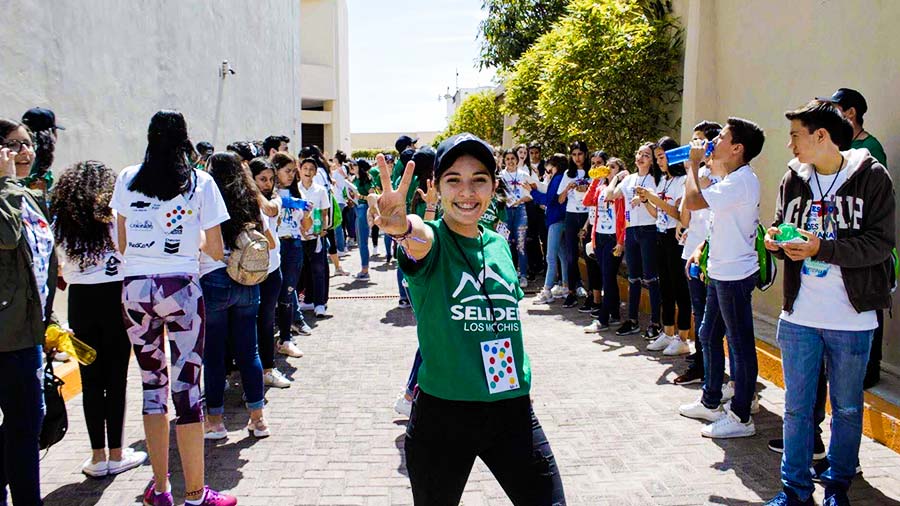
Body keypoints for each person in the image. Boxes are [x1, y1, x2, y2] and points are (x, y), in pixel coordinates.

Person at [373, 133, 565, 505]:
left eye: (479, 179)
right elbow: (418, 237)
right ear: (435, 187)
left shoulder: (496, 243)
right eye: (453, 180)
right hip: (444, 416)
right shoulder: (435, 240)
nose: (467, 191)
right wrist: (402, 227)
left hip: (511, 406)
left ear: (494, 186)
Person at [760, 101, 894, 506]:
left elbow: (880, 243)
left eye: (796, 135)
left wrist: (822, 248)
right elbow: (785, 223)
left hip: (851, 318)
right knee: (797, 410)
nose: (790, 145)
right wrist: (778, 243)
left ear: (821, 136)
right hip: (799, 315)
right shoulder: (793, 178)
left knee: (848, 410)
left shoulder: (871, 177)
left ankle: (837, 488)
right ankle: (794, 490)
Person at [110, 110, 236, 505]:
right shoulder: (200, 181)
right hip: (180, 291)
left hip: (135, 292)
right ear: (185, 139)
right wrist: (191, 240)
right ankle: (196, 494)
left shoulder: (127, 177)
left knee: (152, 386)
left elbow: (122, 242)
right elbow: (215, 248)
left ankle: (160, 488)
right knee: (187, 390)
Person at [51, 160, 148, 478]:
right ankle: (117, 453)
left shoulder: (62, 220)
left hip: (79, 303)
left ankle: (97, 456)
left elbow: (58, 265)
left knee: (90, 380)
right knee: (117, 378)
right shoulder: (116, 213)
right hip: (116, 299)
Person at [680, 117, 765, 440]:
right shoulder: (731, 177)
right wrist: (702, 248)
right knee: (708, 332)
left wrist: (692, 165)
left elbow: (693, 201)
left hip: (733, 275)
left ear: (738, 148)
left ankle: (742, 414)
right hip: (719, 270)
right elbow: (721, 221)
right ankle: (711, 399)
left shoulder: (741, 181)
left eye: (723, 138)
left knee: (740, 346)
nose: (715, 142)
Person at [0, 131, 57, 506]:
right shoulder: (11, 195)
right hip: (8, 336)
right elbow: (6, 236)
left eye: (27, 143)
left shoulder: (28, 196)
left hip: (26, 331)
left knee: (26, 425)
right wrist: (5, 183)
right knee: (23, 428)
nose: (25, 151)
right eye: (13, 145)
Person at [816, 87, 886, 390]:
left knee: (869, 301)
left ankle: (871, 368)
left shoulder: (870, 148)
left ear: (851, 113)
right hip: (837, 241)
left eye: (836, 108)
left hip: (863, 241)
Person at [199, 152, 272, 441]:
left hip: (214, 276)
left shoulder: (206, 196)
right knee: (249, 351)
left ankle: (215, 421)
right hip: (247, 278)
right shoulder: (250, 200)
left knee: (214, 354)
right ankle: (258, 418)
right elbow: (266, 238)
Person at [673, 121, 724, 385]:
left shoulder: (719, 174)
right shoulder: (696, 173)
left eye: (698, 141)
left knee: (710, 318)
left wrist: (694, 171)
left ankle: (711, 372)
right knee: (698, 313)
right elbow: (685, 215)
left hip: (711, 255)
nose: (692, 147)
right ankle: (701, 364)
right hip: (691, 250)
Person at [638, 137, 692, 355]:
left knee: (680, 288)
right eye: (658, 157)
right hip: (660, 234)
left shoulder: (683, 181)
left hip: (675, 237)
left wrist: (654, 198)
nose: (659, 161)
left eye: (662, 157)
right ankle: (668, 332)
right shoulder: (663, 181)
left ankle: (683, 336)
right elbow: (656, 213)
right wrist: (645, 200)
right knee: (665, 287)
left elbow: (677, 214)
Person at [606, 142, 662, 338]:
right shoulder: (629, 180)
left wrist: (645, 200)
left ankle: (656, 322)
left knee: (651, 277)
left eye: (646, 155)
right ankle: (632, 320)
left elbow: (658, 211)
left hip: (649, 230)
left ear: (652, 160)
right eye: (639, 153)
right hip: (631, 231)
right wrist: (615, 179)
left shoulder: (655, 179)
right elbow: (610, 195)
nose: (641, 157)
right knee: (633, 277)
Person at [249, 157, 292, 388]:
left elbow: (270, 209)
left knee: (265, 321)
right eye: (261, 179)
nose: (267, 183)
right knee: (247, 322)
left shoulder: (274, 198)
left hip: (271, 268)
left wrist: (250, 188)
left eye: (270, 179)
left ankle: (268, 368)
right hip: (248, 271)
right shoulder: (242, 202)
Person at [273, 152, 311, 358]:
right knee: (270, 297)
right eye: (287, 171)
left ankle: (285, 338)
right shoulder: (269, 193)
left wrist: (306, 213)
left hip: (294, 244)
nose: (290, 175)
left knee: (288, 292)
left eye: (293, 171)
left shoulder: (298, 194)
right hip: (273, 246)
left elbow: (307, 227)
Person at [582, 157, 627, 332]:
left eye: (612, 167)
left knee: (608, 277)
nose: (608, 169)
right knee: (607, 276)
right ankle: (614, 314)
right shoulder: (601, 187)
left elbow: (625, 218)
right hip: (599, 236)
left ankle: (603, 319)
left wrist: (621, 241)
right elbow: (587, 201)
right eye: (607, 166)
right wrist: (595, 179)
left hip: (613, 238)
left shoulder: (621, 190)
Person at [531, 154, 570, 303]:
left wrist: (532, 190)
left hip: (556, 219)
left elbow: (548, 200)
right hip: (560, 218)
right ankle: (565, 285)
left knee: (550, 256)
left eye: (549, 169)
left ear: (554, 166)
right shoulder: (561, 177)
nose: (547, 172)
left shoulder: (558, 178)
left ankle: (547, 289)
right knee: (562, 254)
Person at [557, 141, 591, 308]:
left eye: (580, 154)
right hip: (571, 214)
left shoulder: (592, 172)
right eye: (574, 154)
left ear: (585, 154)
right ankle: (572, 290)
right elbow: (560, 199)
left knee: (589, 253)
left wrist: (587, 189)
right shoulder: (568, 174)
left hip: (587, 216)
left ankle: (593, 293)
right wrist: (569, 188)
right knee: (571, 255)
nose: (577, 158)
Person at [297, 157, 332, 317]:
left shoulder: (320, 190)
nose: (308, 172)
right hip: (297, 237)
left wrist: (323, 229)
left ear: (315, 172)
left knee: (318, 270)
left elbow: (324, 213)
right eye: (305, 168)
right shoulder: (295, 190)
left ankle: (319, 304)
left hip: (316, 237)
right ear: (300, 169)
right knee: (299, 271)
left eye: (311, 169)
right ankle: (302, 301)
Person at [578, 151, 609, 313]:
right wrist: (585, 226)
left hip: (604, 229)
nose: (596, 166)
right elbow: (590, 208)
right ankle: (593, 298)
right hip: (591, 225)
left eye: (599, 163)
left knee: (601, 266)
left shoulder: (609, 183)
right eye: (593, 163)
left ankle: (601, 301)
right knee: (590, 264)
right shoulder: (593, 182)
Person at [500, 148, 534, 286]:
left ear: (517, 159)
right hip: (505, 211)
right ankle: (507, 274)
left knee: (521, 244)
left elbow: (531, 194)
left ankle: (523, 275)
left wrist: (519, 200)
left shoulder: (523, 174)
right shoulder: (500, 175)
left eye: (512, 158)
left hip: (520, 210)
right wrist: (505, 201)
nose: (510, 161)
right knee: (505, 243)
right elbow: (497, 194)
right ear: (504, 161)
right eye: (507, 159)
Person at [352, 159, 377, 280]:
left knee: (363, 242)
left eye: (355, 165)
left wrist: (360, 196)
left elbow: (372, 196)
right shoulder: (355, 179)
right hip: (357, 208)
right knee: (360, 241)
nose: (352, 167)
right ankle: (364, 268)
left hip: (363, 209)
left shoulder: (366, 180)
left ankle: (365, 270)